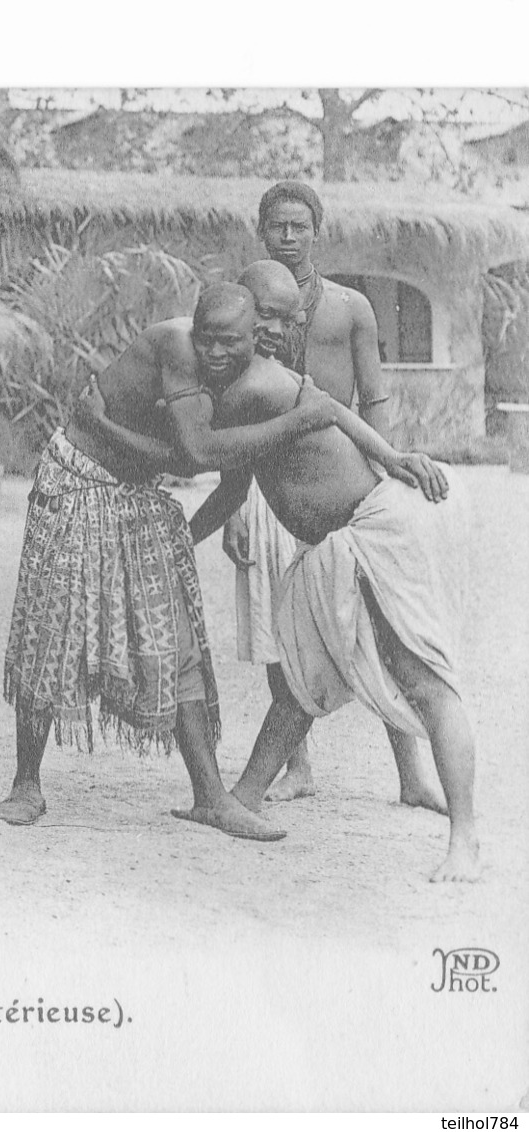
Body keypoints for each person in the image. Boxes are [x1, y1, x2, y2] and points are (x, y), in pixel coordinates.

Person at [3, 282, 375, 839]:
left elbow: (230, 477)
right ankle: (25, 783)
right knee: (54, 629)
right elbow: (198, 454)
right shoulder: (178, 347)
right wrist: (299, 421)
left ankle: (210, 797)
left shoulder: (256, 381)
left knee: (176, 638)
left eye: (232, 343)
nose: (217, 354)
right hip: (77, 482)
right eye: (210, 341)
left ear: (257, 340)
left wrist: (181, 528)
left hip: (141, 494)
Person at [183, 284, 475, 882]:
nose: (264, 327)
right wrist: (181, 539)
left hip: (374, 530)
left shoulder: (260, 384)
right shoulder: (250, 382)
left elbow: (326, 415)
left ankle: (465, 840)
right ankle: (243, 794)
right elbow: (235, 486)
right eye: (253, 314)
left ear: (294, 324)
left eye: (276, 316)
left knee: (422, 679)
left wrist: (394, 458)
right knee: (301, 678)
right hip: (336, 542)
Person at [234, 183, 437, 809]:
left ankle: (412, 773)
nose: (289, 237)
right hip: (271, 485)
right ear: (262, 231)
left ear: (317, 231)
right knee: (280, 633)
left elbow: (371, 401)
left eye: (300, 226)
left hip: (344, 472)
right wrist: (238, 507)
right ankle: (297, 767)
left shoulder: (350, 306)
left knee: (380, 624)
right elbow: (234, 421)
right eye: (278, 226)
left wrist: (390, 465)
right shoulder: (244, 308)